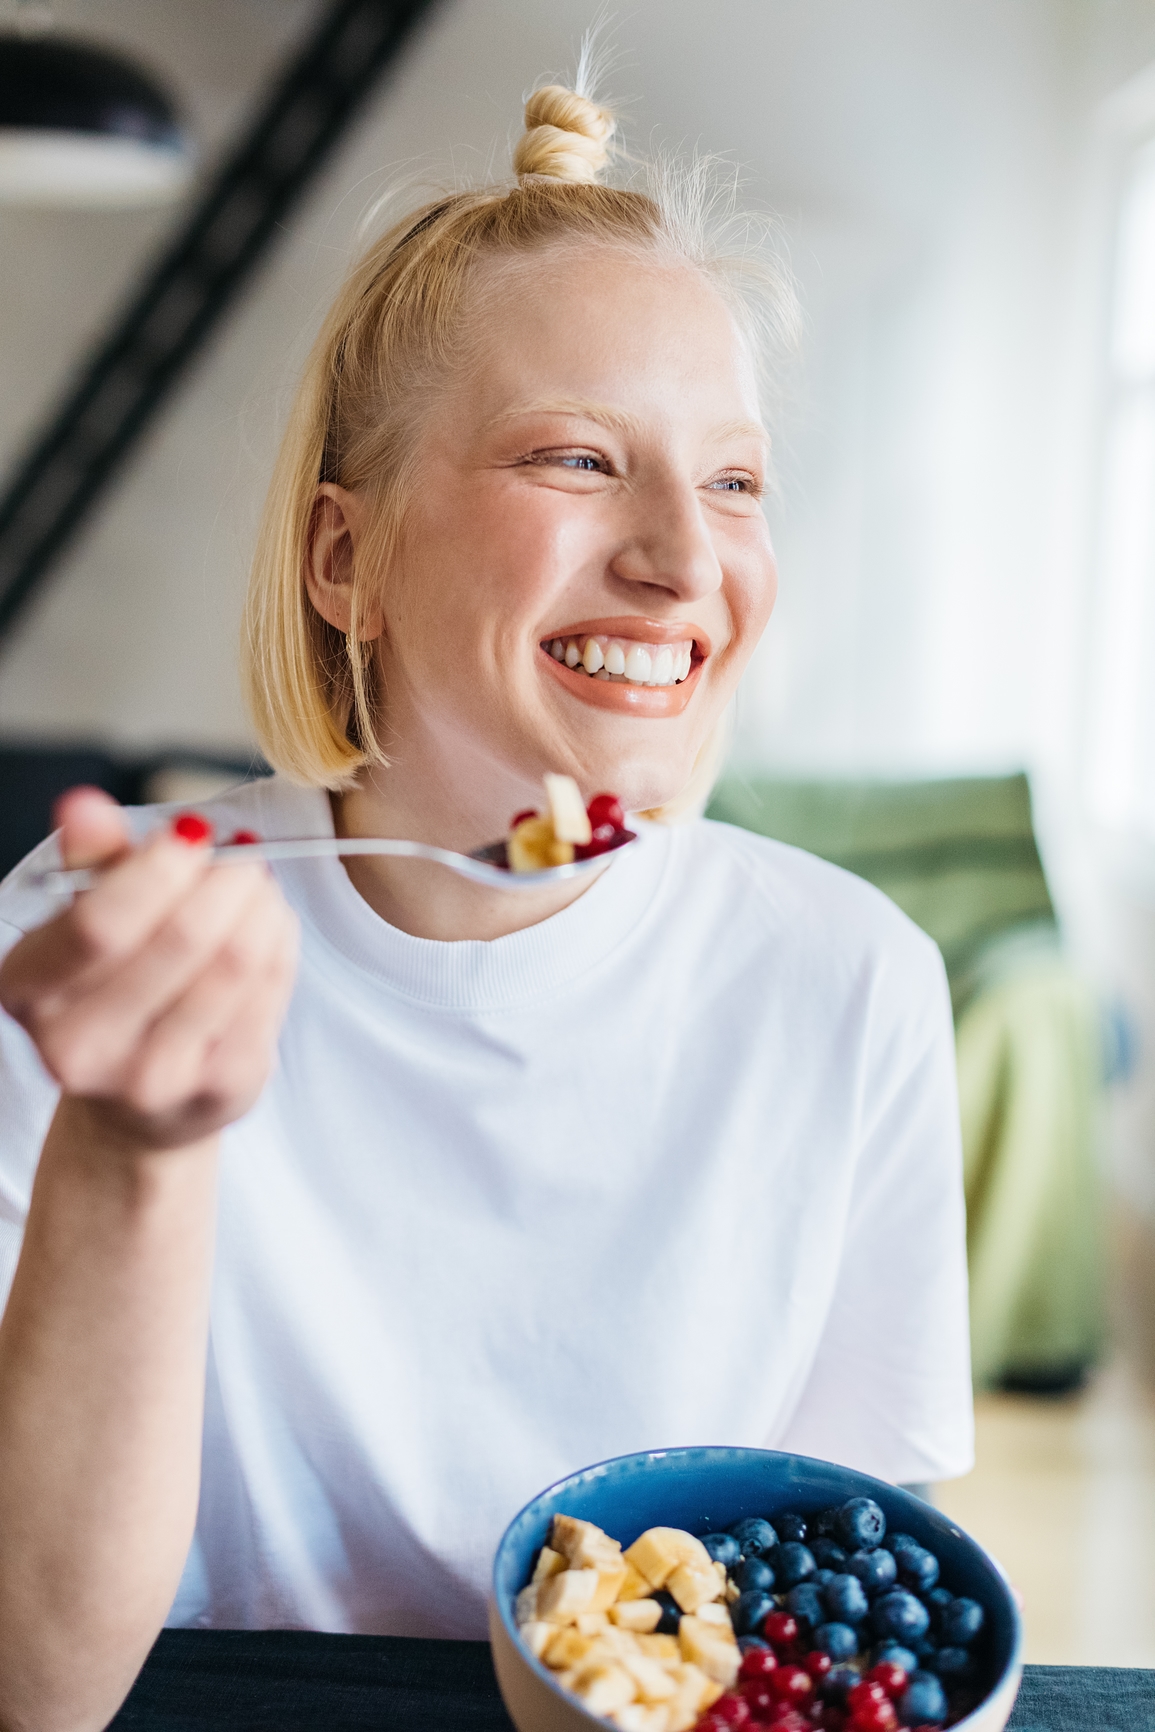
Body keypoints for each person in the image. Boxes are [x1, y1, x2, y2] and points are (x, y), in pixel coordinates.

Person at [0, 81, 972, 1731]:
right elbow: (33, 1683)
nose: (685, 560)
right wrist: (135, 1147)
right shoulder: (105, 944)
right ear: (342, 561)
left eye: (734, 483)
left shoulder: (848, 983)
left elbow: (847, 1610)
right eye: (579, 459)